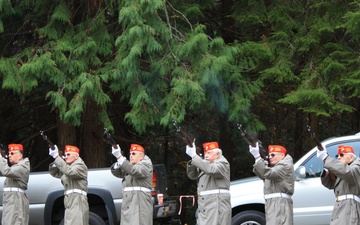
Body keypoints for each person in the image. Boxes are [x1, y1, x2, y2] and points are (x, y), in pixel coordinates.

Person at [186, 141, 231, 225]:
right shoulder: (206, 164)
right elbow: (192, 175)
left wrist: (195, 156)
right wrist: (194, 159)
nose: (206, 155)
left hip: (216, 205)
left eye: (209, 153)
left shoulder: (223, 163)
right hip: (206, 205)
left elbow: (212, 170)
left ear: (217, 154)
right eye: (205, 153)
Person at [249, 143, 294, 225]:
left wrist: (257, 157)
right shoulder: (275, 167)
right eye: (269, 155)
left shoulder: (285, 165)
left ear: (282, 155)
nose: (270, 157)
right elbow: (263, 175)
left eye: (273, 155)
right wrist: (264, 162)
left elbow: (268, 173)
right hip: (273, 203)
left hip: (279, 203)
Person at [111, 143, 153, 225]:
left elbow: (134, 171)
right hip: (129, 204)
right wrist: (119, 160)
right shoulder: (131, 166)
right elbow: (117, 172)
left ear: (141, 156)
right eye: (130, 154)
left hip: (140, 204)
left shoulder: (146, 164)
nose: (131, 156)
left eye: (134, 154)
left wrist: (120, 157)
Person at [317, 145, 360, 225]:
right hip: (340, 207)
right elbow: (330, 184)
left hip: (350, 207)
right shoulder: (341, 171)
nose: (339, 157)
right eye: (337, 155)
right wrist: (327, 171)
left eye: (342, 155)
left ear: (350, 157)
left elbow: (348, 172)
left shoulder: (356, 167)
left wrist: (326, 159)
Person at [49, 144, 89, 225]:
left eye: (68, 154)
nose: (66, 156)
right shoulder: (68, 167)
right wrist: (58, 159)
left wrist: (57, 157)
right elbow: (54, 173)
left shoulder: (80, 165)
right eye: (65, 155)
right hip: (70, 201)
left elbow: (70, 172)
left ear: (76, 157)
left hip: (77, 200)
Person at [0, 143, 30, 225]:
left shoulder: (23, 166)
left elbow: (6, 171)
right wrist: (2, 159)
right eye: (9, 153)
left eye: (12, 153)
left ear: (20, 156)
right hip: (12, 201)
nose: (9, 155)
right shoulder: (15, 167)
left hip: (16, 201)